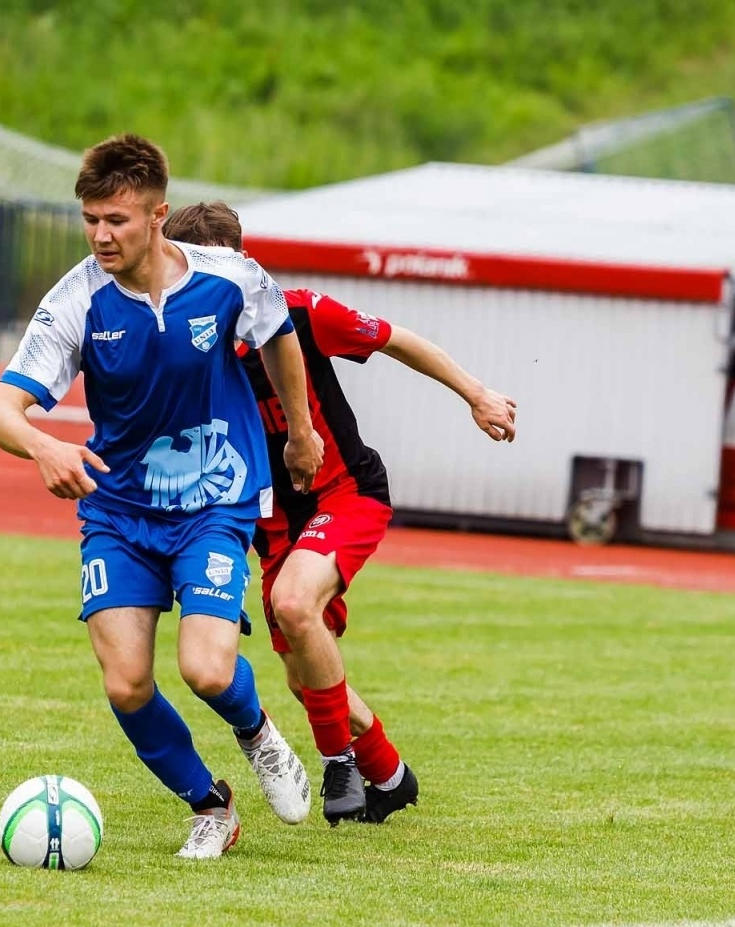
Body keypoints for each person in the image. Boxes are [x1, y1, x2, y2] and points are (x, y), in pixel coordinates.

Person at [0, 136, 326, 859]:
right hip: (119, 512)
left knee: (206, 669)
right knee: (128, 682)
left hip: (214, 498)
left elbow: (279, 335)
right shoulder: (77, 298)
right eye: (91, 220)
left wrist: (299, 432)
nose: (102, 235)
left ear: (158, 216)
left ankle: (258, 732)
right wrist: (45, 444)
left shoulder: (228, 278)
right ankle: (210, 804)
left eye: (118, 219)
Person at [161, 200, 517, 825]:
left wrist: (477, 394)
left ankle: (336, 764)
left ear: (243, 265)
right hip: (272, 527)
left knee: (296, 606)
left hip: (344, 494)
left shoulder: (299, 312)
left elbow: (395, 339)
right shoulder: (185, 341)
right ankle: (389, 773)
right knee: (306, 678)